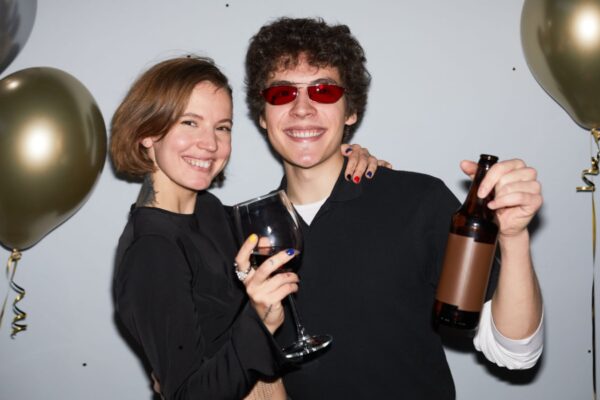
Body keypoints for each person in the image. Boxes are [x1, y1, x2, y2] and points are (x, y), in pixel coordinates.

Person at [244, 17, 544, 399]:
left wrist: (514, 237)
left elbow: (516, 353)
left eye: (323, 92)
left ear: (350, 111)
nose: (302, 109)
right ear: (262, 115)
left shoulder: (418, 202)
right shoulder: (249, 237)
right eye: (282, 94)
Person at [110, 56, 387, 400]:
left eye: (222, 127)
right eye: (190, 123)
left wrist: (342, 160)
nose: (210, 143)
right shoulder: (152, 250)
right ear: (148, 132)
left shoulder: (208, 211)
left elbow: (273, 229)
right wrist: (259, 321)